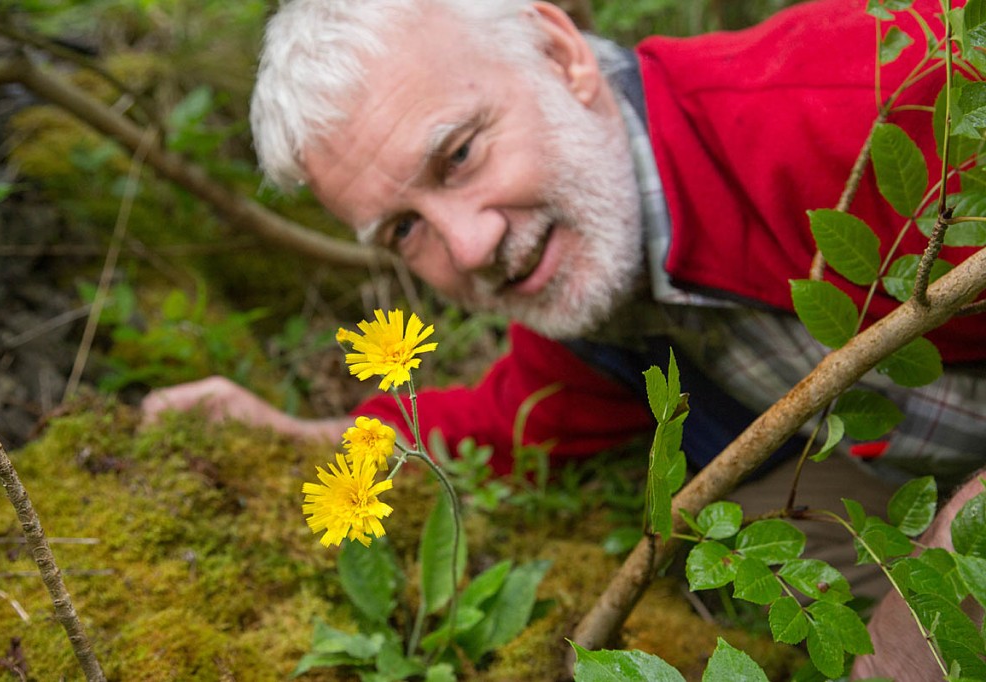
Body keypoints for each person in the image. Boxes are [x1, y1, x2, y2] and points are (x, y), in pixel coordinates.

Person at [142, 0, 986, 676]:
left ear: (560, 53)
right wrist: (309, 441)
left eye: (461, 154)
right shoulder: (594, 310)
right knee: (763, 507)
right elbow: (510, 422)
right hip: (903, 476)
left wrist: (925, 623)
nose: (467, 249)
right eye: (403, 230)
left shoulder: (876, 104)